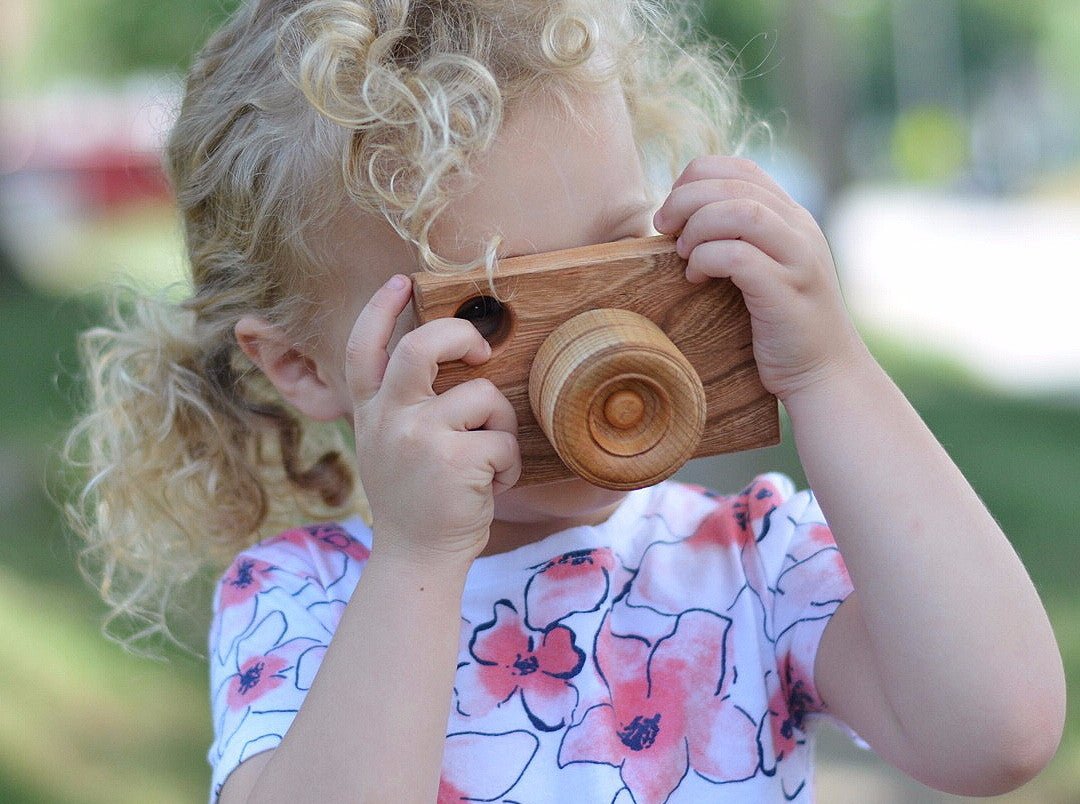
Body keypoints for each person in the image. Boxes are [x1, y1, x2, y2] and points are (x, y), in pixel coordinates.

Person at [65, 1, 1065, 802]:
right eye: (492, 311)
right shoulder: (302, 603)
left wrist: (832, 371)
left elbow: (1000, 731)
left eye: (620, 256)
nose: (588, 350)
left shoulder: (749, 563)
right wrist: (419, 555)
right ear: (303, 366)